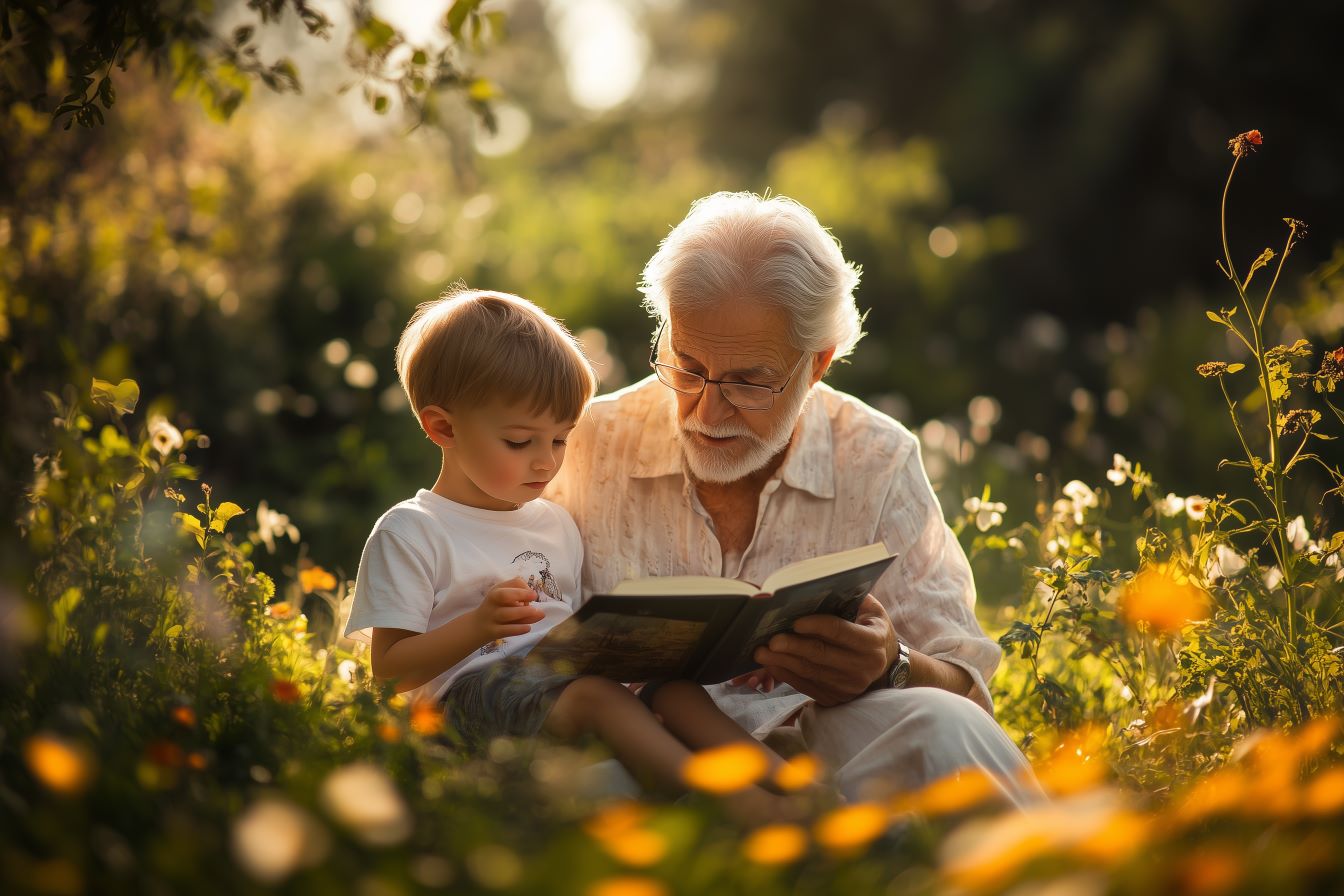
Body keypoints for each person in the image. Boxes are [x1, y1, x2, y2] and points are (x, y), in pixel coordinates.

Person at [547, 193, 1042, 806]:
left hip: (823, 751)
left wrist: (890, 662)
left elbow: (965, 688)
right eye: (687, 366)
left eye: (748, 382)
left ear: (818, 364)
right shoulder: (585, 440)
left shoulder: (875, 457)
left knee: (948, 727)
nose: (705, 411)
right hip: (644, 754)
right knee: (575, 794)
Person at [343, 288, 808, 821]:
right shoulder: (413, 531)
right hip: (462, 709)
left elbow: (574, 634)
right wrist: (477, 626)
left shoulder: (555, 523)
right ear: (442, 427)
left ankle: (794, 787)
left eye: (560, 440)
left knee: (674, 688)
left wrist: (727, 654)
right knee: (595, 696)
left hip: (558, 684)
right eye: (521, 443)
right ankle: (728, 804)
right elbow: (389, 674)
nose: (546, 462)